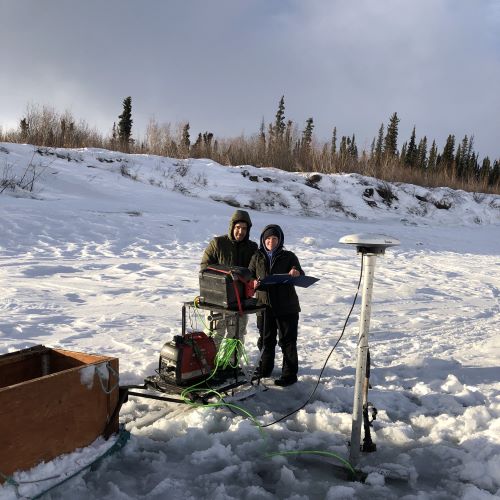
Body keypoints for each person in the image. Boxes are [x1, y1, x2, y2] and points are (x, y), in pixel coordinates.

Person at [249, 224, 304, 386]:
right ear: (263, 240)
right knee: (266, 340)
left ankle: (289, 374)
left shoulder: (288, 256)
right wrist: (252, 282)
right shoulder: (256, 257)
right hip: (264, 306)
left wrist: (296, 272)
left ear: (280, 240)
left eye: (274, 238)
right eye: (268, 238)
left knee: (288, 341)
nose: (271, 241)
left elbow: (299, 272)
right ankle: (265, 369)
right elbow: (249, 275)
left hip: (287, 306)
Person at [200, 210, 258, 358]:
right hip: (217, 300)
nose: (240, 231)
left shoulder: (252, 247)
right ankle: (210, 366)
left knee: (236, 334)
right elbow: (205, 268)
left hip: (240, 301)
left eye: (244, 228)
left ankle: (231, 366)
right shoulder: (218, 243)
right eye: (238, 227)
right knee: (215, 333)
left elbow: (257, 270)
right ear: (232, 227)